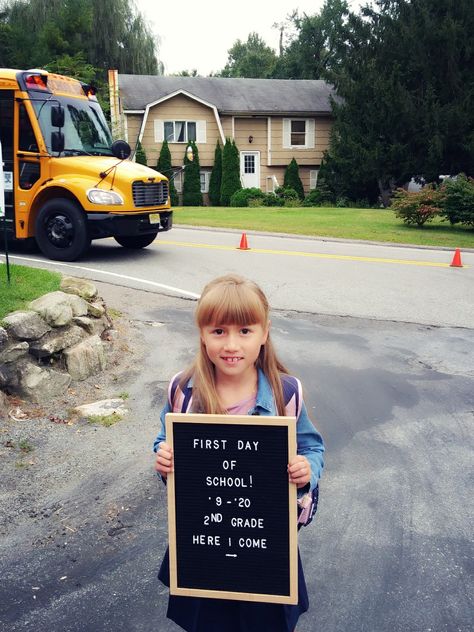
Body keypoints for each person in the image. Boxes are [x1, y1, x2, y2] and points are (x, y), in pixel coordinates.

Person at [153, 274, 325, 632]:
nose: (231, 344)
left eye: (245, 331)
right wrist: (163, 458)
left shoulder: (285, 393)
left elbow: (311, 445)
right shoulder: (183, 391)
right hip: (203, 538)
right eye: (218, 331)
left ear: (265, 333)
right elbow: (164, 441)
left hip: (265, 541)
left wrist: (308, 469)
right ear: (202, 333)